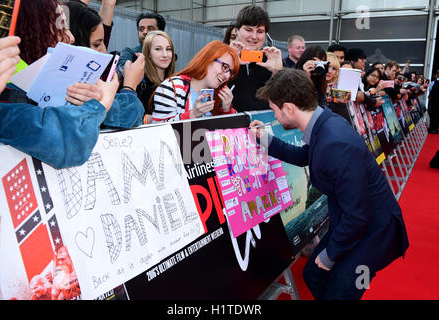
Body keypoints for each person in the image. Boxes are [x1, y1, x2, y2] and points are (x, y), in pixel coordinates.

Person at [249, 68, 409, 300]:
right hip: (353, 219)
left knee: (339, 288)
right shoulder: (324, 122)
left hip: (374, 230)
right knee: (313, 275)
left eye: (275, 111)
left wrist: (331, 254)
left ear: (289, 108)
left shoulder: (334, 142)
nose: (275, 118)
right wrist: (266, 141)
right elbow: (306, 156)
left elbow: (358, 215)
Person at [0, 2, 119, 169]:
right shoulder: (7, 90)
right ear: (32, 29)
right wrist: (99, 106)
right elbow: (66, 143)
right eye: (61, 28)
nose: (71, 38)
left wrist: (91, 104)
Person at [65, 0, 145, 128]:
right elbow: (128, 116)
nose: (104, 51)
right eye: (97, 44)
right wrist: (130, 86)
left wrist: (109, 5)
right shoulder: (72, 89)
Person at [152, 40, 239, 122]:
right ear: (208, 59)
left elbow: (232, 134)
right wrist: (192, 114)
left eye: (231, 73)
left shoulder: (220, 97)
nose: (227, 76)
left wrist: (227, 110)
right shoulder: (172, 88)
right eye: (225, 67)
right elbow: (158, 130)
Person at [229, 5, 283, 112]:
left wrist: (278, 73)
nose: (254, 36)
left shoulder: (272, 61)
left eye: (260, 31)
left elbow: (286, 104)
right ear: (237, 30)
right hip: (231, 126)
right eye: (249, 30)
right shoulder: (222, 60)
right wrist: (228, 64)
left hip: (266, 125)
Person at [139, 30, 176, 121]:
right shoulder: (140, 82)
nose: (165, 55)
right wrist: (150, 119)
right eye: (158, 49)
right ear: (148, 54)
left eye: (168, 49)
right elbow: (129, 118)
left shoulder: (176, 83)